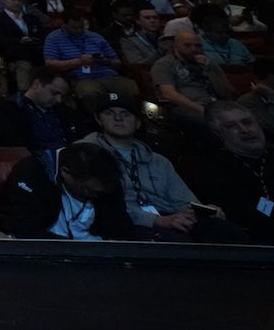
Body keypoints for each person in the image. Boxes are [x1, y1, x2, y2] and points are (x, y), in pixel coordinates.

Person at [78, 91, 246, 243]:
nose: (118, 119)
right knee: (174, 241)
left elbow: (184, 201)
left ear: (138, 123)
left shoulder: (158, 160)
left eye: (126, 114)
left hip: (169, 216)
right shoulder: (87, 153)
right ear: (98, 119)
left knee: (226, 231)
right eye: (109, 113)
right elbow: (101, 205)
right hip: (124, 221)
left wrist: (202, 210)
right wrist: (157, 220)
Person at [0, 141, 150, 241]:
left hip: (94, 252)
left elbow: (119, 228)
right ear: (66, 173)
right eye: (87, 190)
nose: (95, 196)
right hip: (46, 249)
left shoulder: (109, 181)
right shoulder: (32, 172)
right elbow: (24, 228)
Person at [189, 101, 274, 244]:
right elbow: (240, 208)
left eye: (247, 122)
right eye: (231, 126)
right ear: (218, 133)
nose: (244, 130)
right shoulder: (213, 166)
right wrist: (270, 208)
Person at [41, 6, 135, 103]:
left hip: (107, 74)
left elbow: (117, 62)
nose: (79, 30)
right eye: (74, 27)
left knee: (130, 87)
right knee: (89, 92)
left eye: (81, 27)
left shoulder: (95, 37)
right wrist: (79, 61)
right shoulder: (54, 38)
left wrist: (105, 61)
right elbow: (50, 63)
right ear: (64, 24)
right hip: (80, 78)